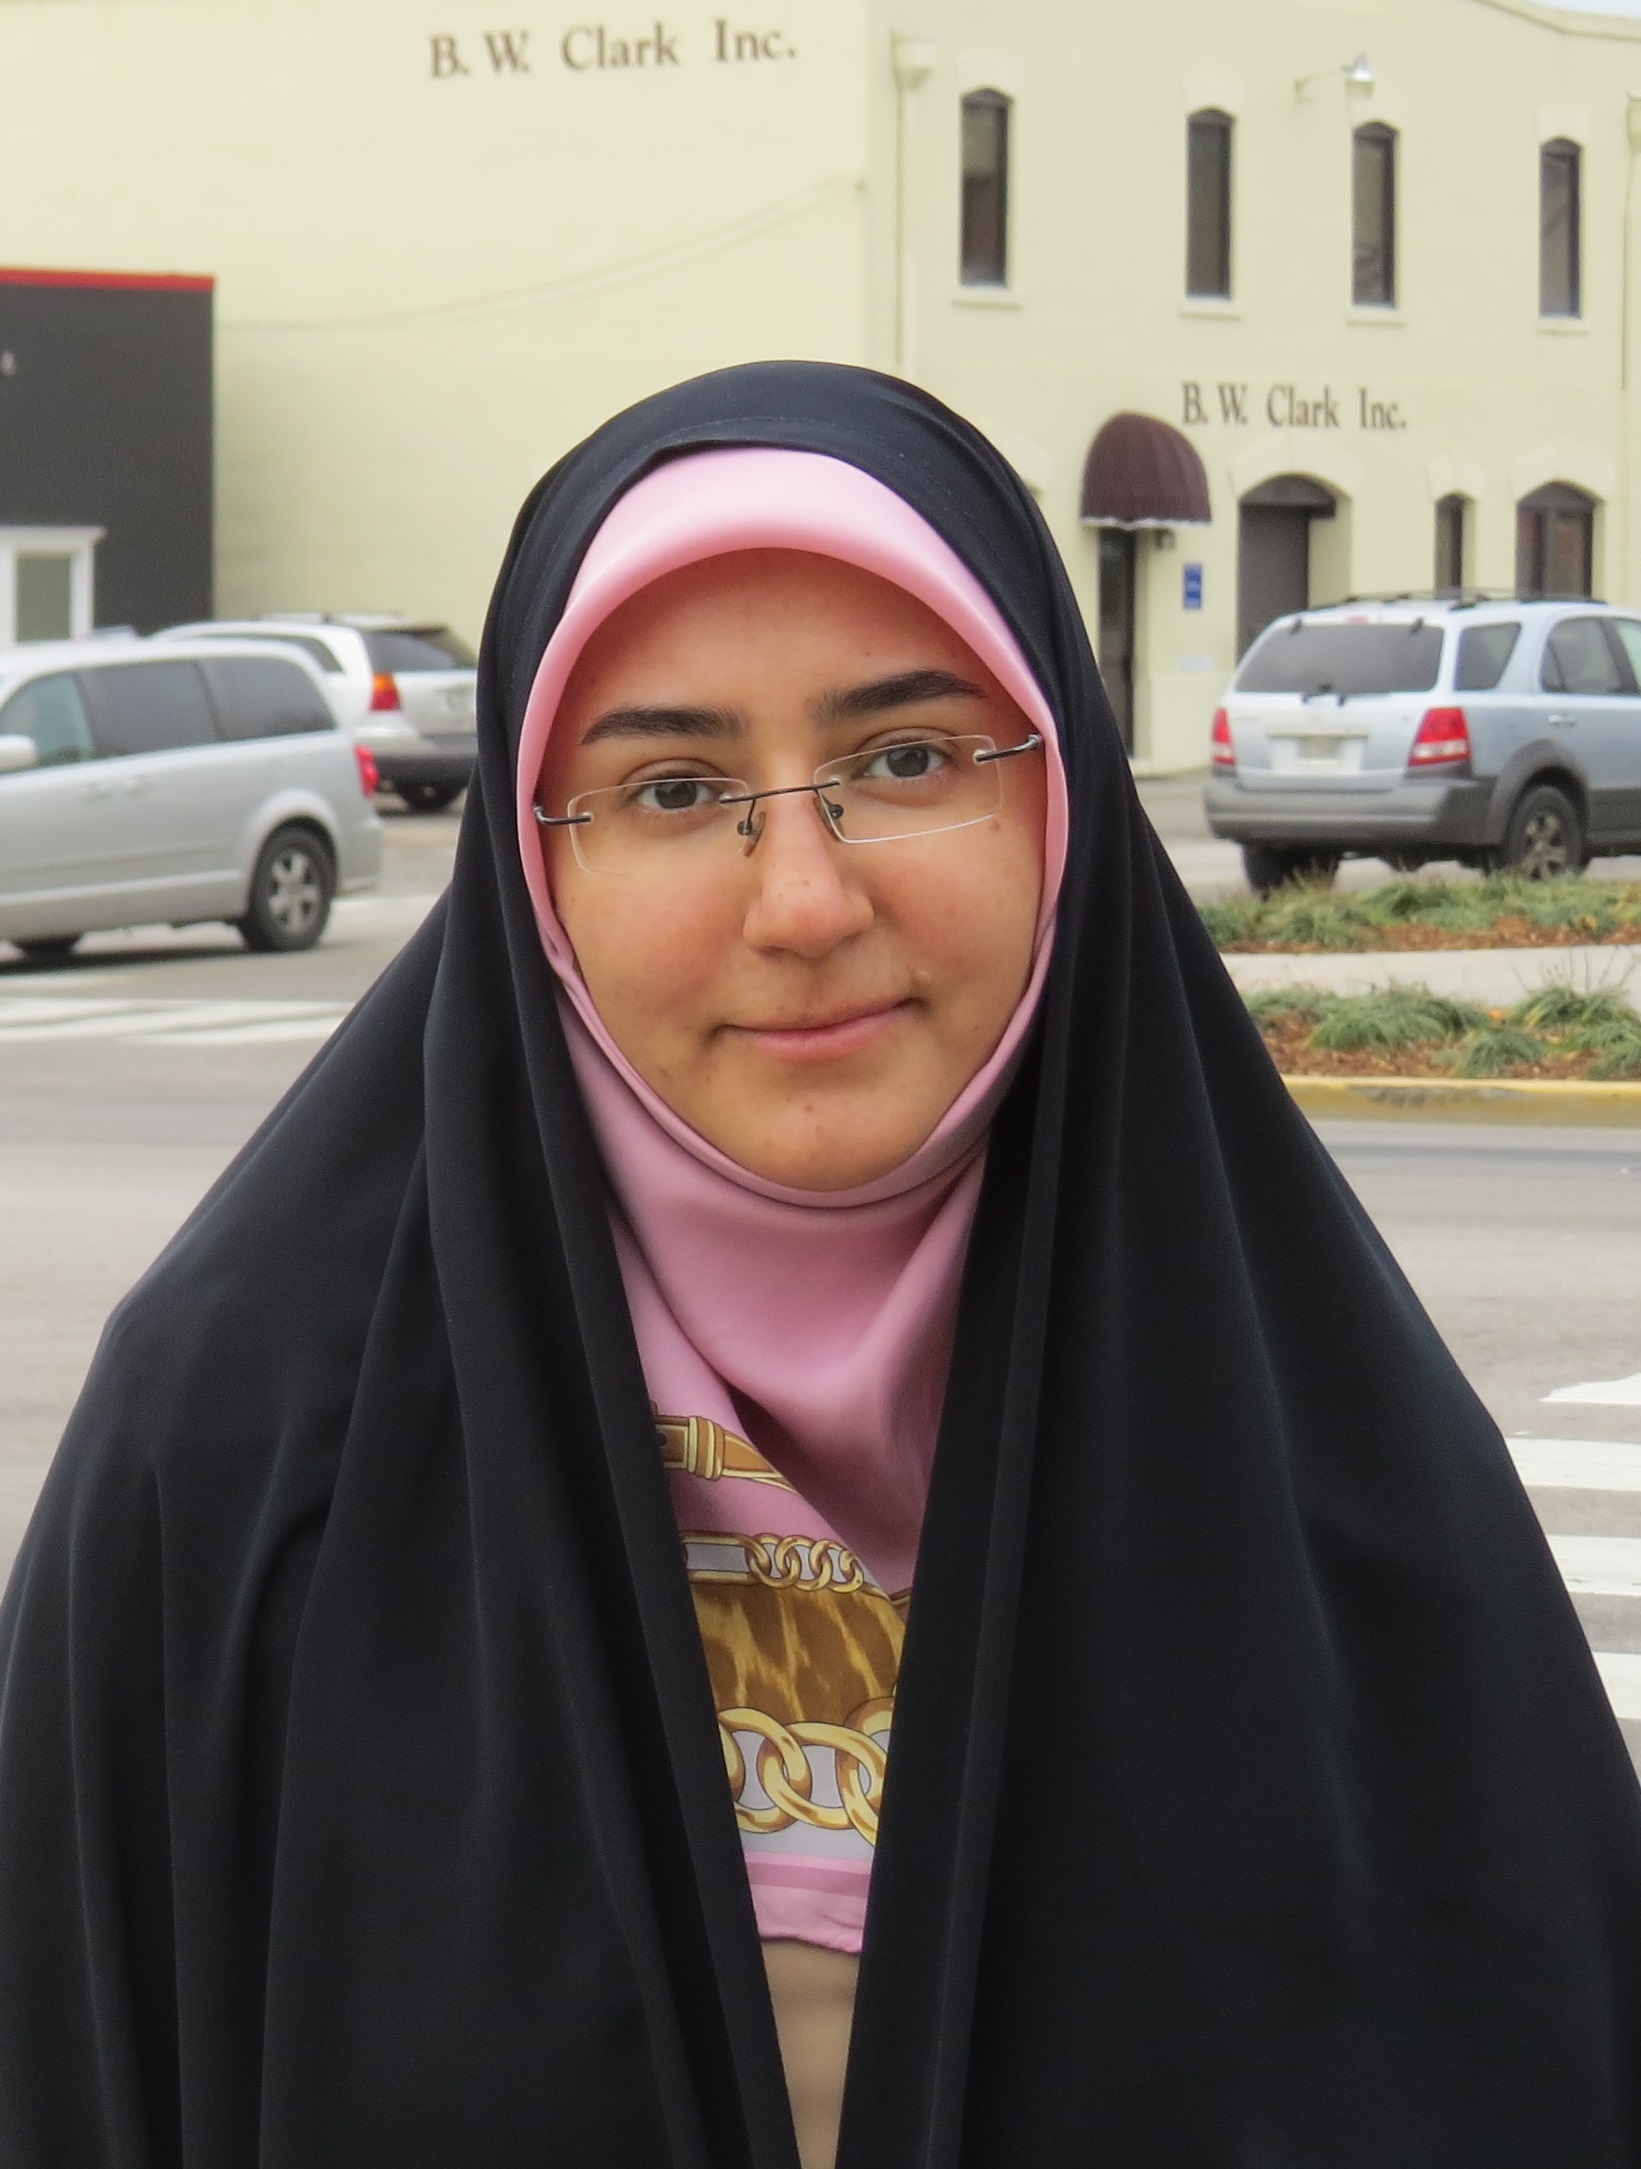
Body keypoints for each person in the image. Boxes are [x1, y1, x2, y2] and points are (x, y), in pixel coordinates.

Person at [1, 362, 1640, 2169]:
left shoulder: (1343, 1477)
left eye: (908, 759)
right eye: (672, 786)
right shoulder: (231, 1460)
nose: (802, 900)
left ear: (1065, 800)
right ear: (532, 868)